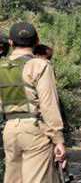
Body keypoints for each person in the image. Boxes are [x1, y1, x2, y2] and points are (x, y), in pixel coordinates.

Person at [0, 22, 65, 182]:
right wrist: (58, 139)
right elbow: (48, 104)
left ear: (10, 42)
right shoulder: (40, 65)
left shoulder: (1, 66)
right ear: (37, 41)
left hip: (9, 130)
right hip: (35, 129)